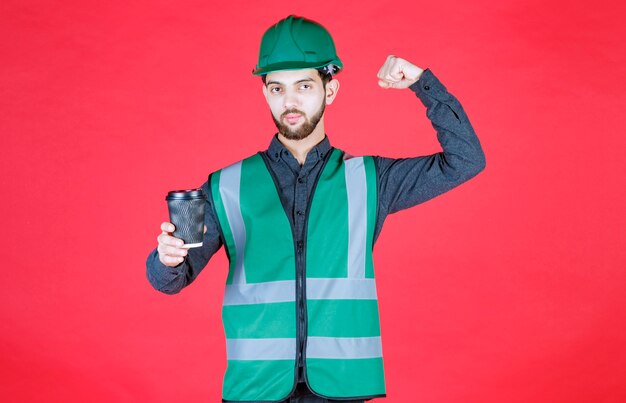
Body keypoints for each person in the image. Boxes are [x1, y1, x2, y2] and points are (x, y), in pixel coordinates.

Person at [146, 15, 486, 403]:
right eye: (277, 88)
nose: (289, 102)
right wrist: (167, 258)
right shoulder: (225, 185)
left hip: (342, 388)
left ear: (331, 90)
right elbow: (168, 280)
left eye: (304, 86)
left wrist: (423, 84)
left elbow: (466, 160)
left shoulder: (372, 180)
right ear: (265, 94)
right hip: (255, 389)